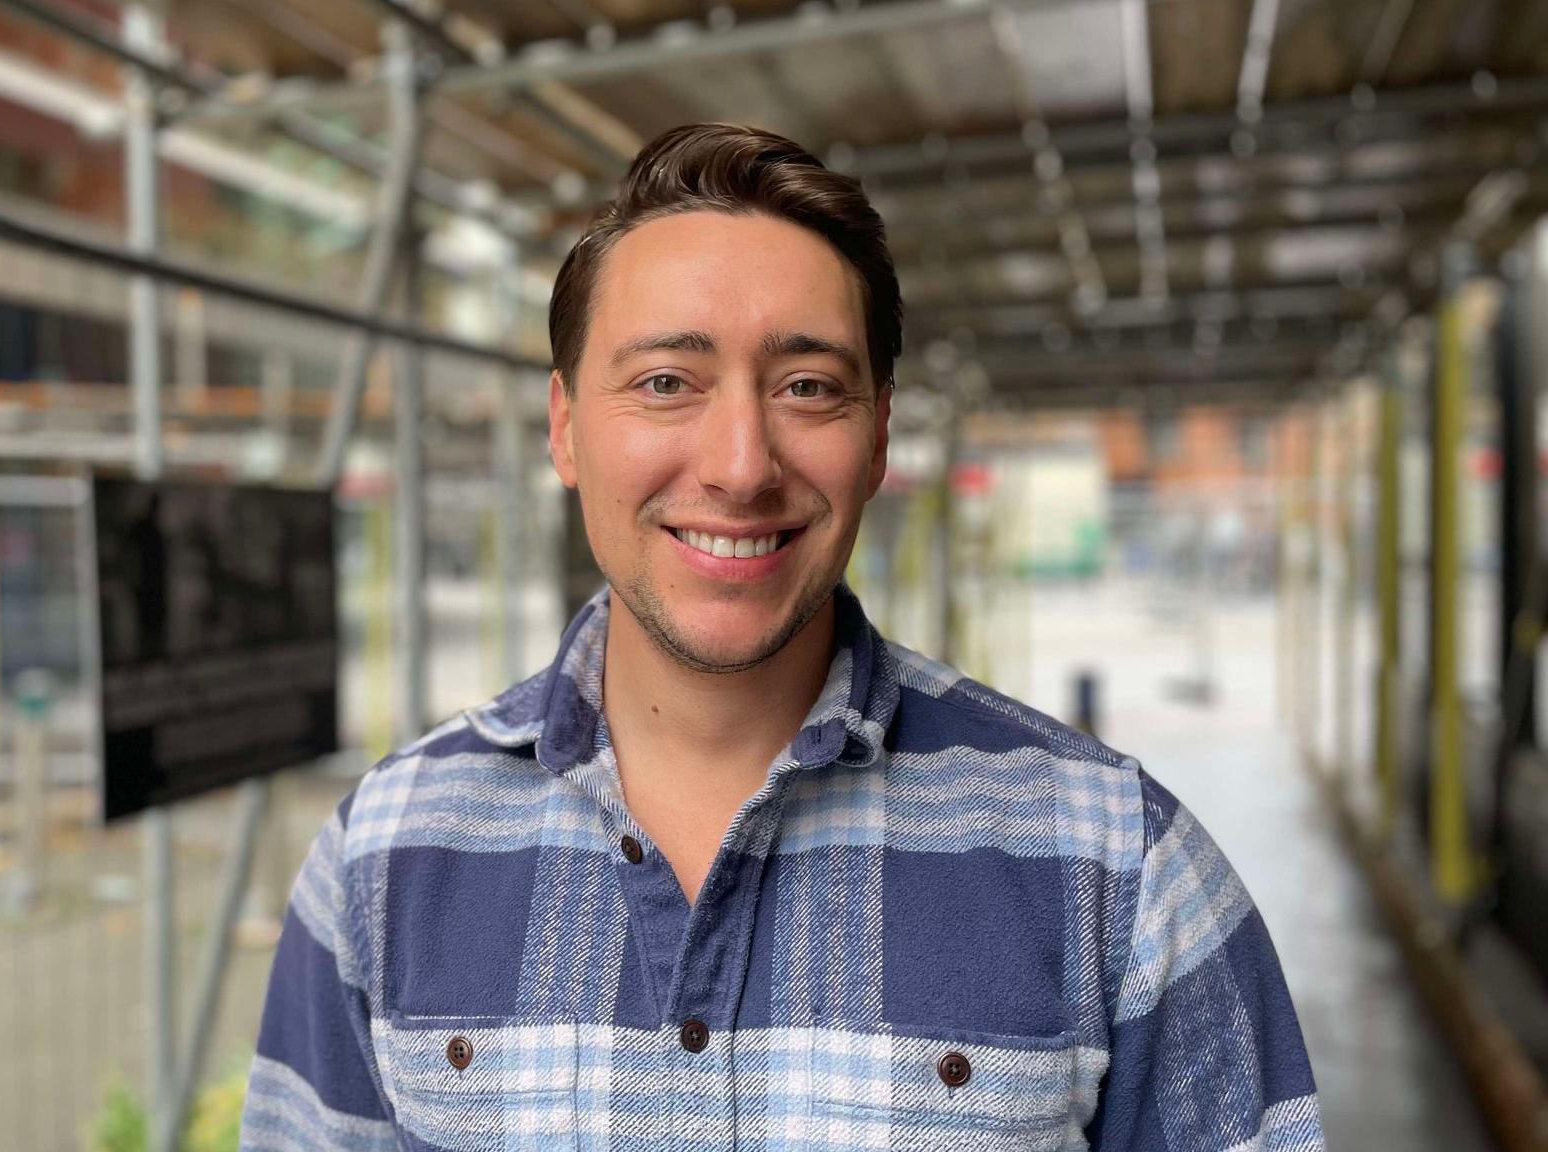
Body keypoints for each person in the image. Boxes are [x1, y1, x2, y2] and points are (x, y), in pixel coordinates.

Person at [240, 123, 1324, 1151]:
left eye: (807, 387)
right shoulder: (384, 858)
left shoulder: (1113, 863)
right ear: (564, 427)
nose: (741, 464)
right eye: (666, 382)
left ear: (879, 434)